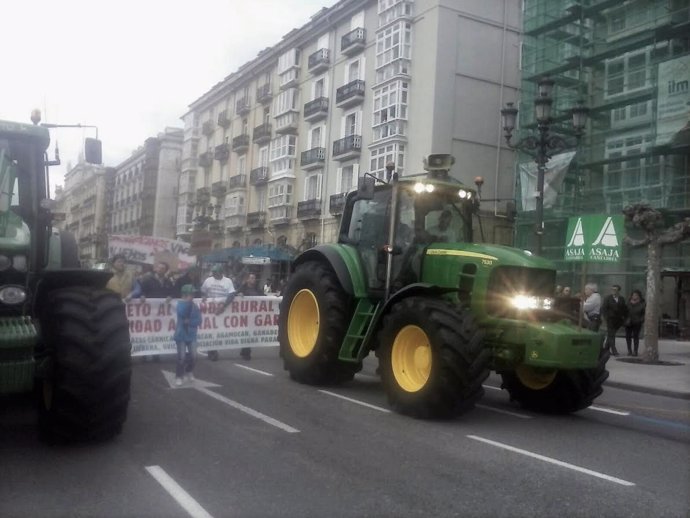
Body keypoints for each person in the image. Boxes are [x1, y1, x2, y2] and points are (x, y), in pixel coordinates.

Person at [201, 264, 237, 361]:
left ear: (221, 272)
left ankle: (213, 350)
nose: (213, 274)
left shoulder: (227, 281)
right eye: (213, 273)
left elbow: (232, 294)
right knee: (210, 331)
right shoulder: (208, 280)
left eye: (215, 272)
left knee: (219, 331)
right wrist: (203, 296)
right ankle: (212, 351)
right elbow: (203, 291)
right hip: (210, 310)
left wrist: (223, 306)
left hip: (223, 310)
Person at [173, 284, 202, 386]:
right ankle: (179, 376)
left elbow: (199, 320)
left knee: (194, 356)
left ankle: (189, 370)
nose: (193, 295)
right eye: (191, 293)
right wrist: (188, 304)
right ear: (185, 294)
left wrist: (190, 322)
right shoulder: (180, 304)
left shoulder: (195, 305)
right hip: (181, 335)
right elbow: (182, 314)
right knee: (181, 357)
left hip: (192, 335)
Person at [237, 272, 262, 360]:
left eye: (254, 278)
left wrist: (275, 297)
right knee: (246, 333)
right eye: (251, 278)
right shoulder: (243, 288)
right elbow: (235, 294)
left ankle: (244, 350)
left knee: (250, 334)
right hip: (244, 316)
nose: (253, 280)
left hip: (253, 316)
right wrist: (239, 294)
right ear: (247, 279)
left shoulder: (257, 289)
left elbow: (263, 297)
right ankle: (246, 353)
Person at [602, 284, 628, 356]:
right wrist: (606, 317)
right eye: (612, 289)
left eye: (615, 290)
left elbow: (624, 309)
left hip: (618, 320)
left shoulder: (621, 299)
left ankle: (605, 350)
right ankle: (614, 351)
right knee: (612, 335)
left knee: (611, 335)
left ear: (618, 291)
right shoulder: (608, 298)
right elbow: (604, 308)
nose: (613, 291)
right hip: (610, 319)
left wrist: (624, 318)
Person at [624, 290, 646, 356]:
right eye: (633, 295)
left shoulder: (642, 303)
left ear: (639, 296)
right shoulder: (628, 302)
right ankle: (629, 350)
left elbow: (644, 314)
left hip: (637, 322)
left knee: (636, 336)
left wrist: (641, 320)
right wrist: (625, 319)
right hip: (628, 322)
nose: (634, 296)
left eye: (636, 295)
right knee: (628, 336)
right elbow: (624, 311)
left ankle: (635, 351)